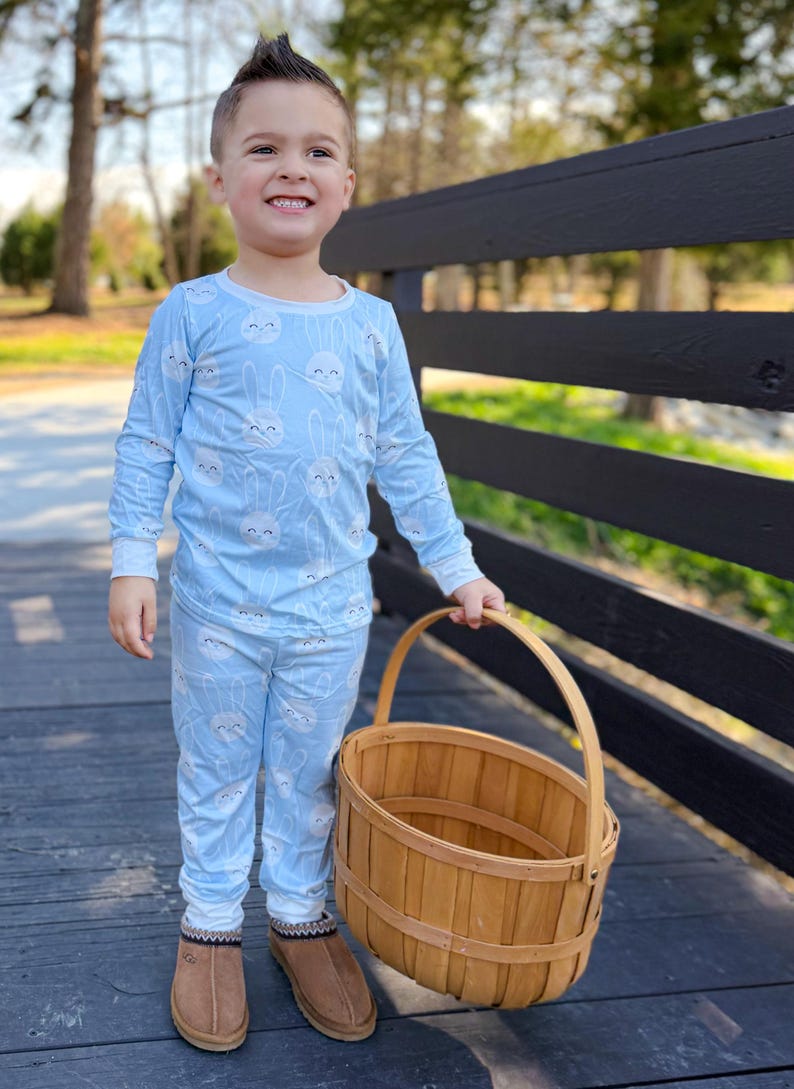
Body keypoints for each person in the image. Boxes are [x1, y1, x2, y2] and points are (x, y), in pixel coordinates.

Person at [108, 32, 506, 1050]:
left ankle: (295, 911)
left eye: (318, 151)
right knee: (215, 762)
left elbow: (404, 455)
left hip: (330, 605)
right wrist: (126, 563)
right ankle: (207, 922)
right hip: (218, 607)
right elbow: (147, 443)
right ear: (220, 181)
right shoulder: (193, 313)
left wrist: (452, 563)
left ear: (346, 185)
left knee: (307, 768)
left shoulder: (369, 325)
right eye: (265, 149)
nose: (293, 167)